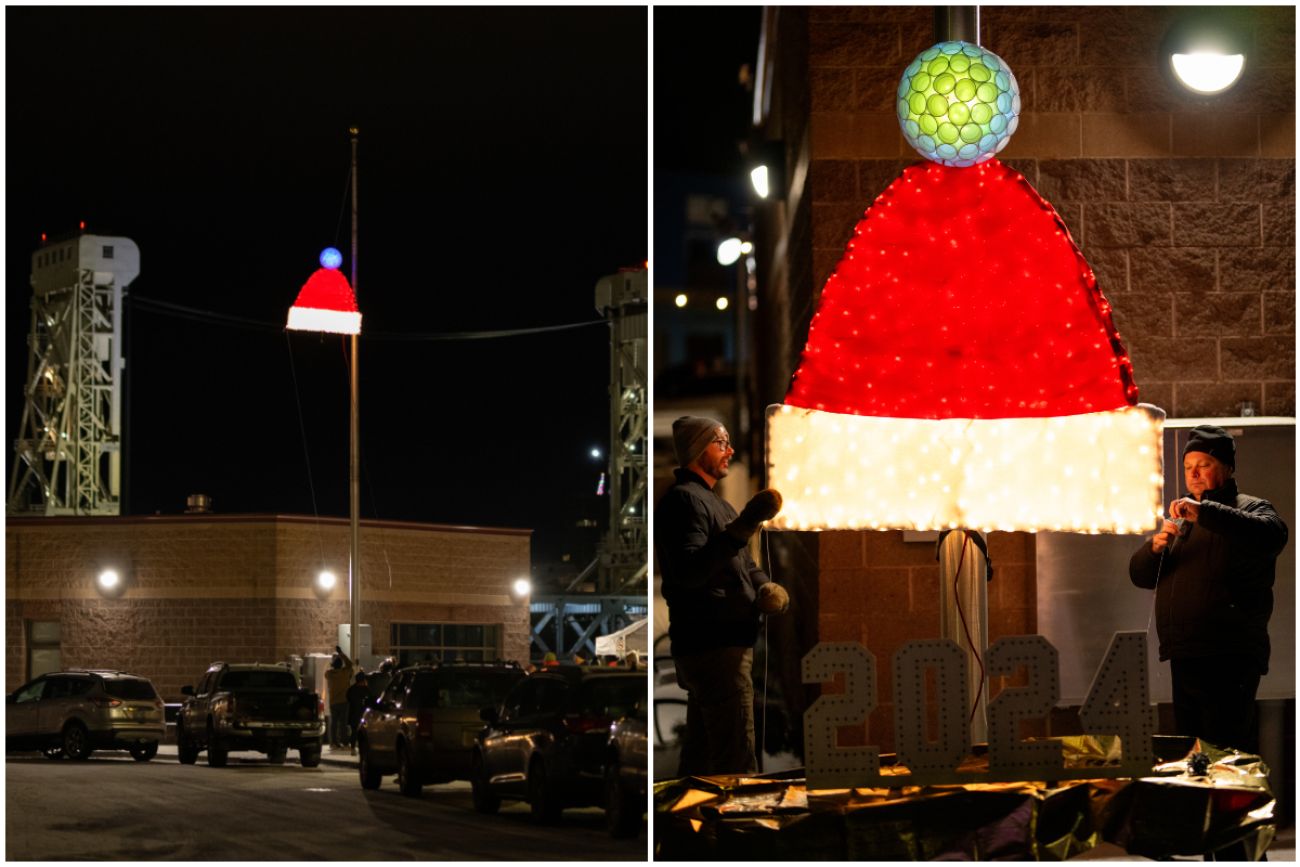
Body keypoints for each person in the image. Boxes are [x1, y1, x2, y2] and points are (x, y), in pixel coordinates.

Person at [1129, 425, 1288, 754]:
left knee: (1225, 754)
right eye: (1188, 467)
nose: (1194, 473)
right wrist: (1154, 549)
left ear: (1227, 468)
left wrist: (1206, 512)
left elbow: (1273, 535)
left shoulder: (1250, 509)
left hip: (1229, 656)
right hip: (1185, 654)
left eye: (1204, 464)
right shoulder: (1184, 521)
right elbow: (1142, 576)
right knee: (1192, 755)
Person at [655, 415, 789, 777]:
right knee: (735, 758)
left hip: (717, 645)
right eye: (721, 442)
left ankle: (689, 822)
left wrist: (763, 585)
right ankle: (738, 827)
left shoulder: (713, 504)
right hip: (715, 647)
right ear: (699, 449)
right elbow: (691, 571)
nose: (730, 450)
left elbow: (741, 562)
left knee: (701, 758)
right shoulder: (684, 502)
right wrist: (743, 527)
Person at [324, 646, 354, 749]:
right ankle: (345, 742)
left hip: (333, 702)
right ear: (341, 665)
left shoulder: (329, 674)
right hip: (344, 701)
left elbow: (327, 671)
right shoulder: (345, 673)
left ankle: (333, 743)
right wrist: (341, 653)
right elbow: (350, 664)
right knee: (343, 723)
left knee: (334, 723)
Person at [346, 671, 370, 755]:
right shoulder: (366, 690)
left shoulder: (351, 689)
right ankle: (362, 749)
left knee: (354, 732)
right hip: (363, 714)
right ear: (363, 680)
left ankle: (353, 748)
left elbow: (348, 699)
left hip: (353, 714)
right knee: (363, 733)